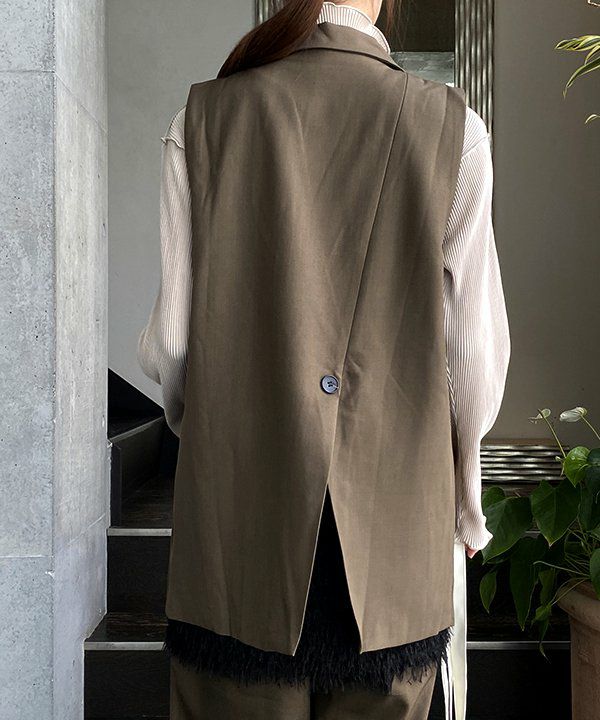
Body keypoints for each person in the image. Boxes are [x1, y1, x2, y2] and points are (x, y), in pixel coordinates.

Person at [137, 1, 511, 718]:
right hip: (395, 533)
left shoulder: (202, 118)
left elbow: (173, 343)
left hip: (240, 539)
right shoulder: (454, 127)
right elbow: (475, 358)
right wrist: (467, 499)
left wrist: (205, 432)